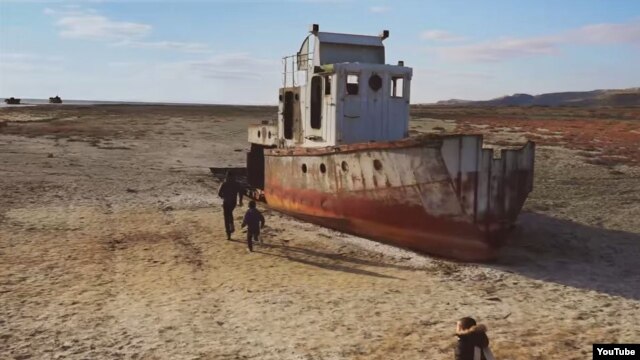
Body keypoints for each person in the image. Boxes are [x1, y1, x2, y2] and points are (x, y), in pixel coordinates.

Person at [218, 171, 243, 240]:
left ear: (227, 176)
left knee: (226, 217)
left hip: (226, 202)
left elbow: (219, 193)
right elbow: (241, 192)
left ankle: (228, 234)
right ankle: (231, 224)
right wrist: (240, 201)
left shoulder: (224, 184)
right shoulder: (237, 184)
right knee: (229, 213)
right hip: (233, 202)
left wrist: (224, 197)